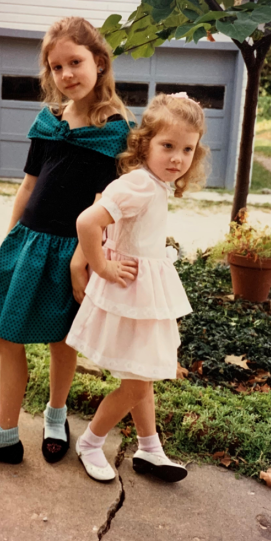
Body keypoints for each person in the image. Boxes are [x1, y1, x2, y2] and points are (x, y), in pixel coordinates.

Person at [0, 17, 134, 465]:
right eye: (56, 67)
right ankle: (5, 434)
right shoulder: (49, 122)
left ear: (98, 61)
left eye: (75, 62)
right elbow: (28, 187)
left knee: (62, 341)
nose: (67, 74)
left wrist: (83, 258)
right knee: (5, 335)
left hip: (71, 250)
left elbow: (102, 203)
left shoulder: (113, 129)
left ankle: (56, 415)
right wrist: (10, 240)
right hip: (29, 242)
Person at [65, 92, 209, 482]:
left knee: (142, 376)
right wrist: (102, 266)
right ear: (145, 143)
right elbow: (87, 222)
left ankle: (150, 448)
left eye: (187, 149)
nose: (177, 158)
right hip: (130, 297)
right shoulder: (139, 185)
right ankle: (91, 443)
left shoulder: (153, 184)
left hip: (143, 297)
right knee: (136, 383)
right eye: (167, 146)